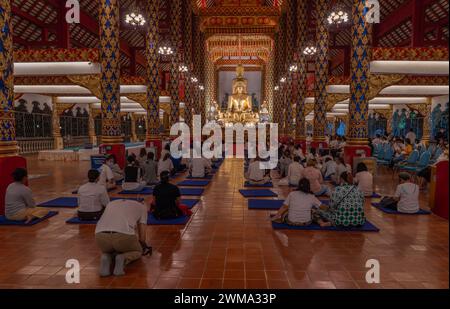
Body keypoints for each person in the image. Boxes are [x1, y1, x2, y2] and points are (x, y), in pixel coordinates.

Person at [95, 198, 151, 277]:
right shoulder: (142, 207)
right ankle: (123, 258)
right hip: (123, 234)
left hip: (99, 235)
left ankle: (106, 256)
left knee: (111, 249)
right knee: (138, 251)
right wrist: (141, 244)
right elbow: (142, 235)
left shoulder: (111, 203)